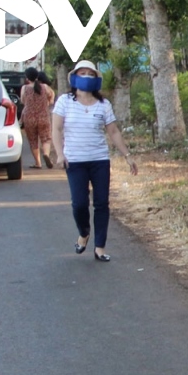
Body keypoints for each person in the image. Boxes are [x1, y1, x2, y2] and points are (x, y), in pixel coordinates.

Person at [52, 59, 137, 261]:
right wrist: (59, 153)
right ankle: (84, 232)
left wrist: (128, 155)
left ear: (97, 79)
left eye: (91, 74)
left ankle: (100, 247)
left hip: (99, 159)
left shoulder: (103, 104)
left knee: (101, 204)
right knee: (79, 204)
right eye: (83, 74)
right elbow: (55, 128)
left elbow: (113, 131)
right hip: (75, 160)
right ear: (74, 77)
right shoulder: (65, 101)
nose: (87, 78)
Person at [21, 66, 55, 169]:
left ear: (27, 78)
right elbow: (51, 96)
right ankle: (46, 154)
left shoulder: (24, 88)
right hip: (43, 116)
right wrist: (48, 102)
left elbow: (23, 101)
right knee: (46, 139)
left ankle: (38, 162)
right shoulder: (44, 87)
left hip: (29, 117)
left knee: (33, 140)